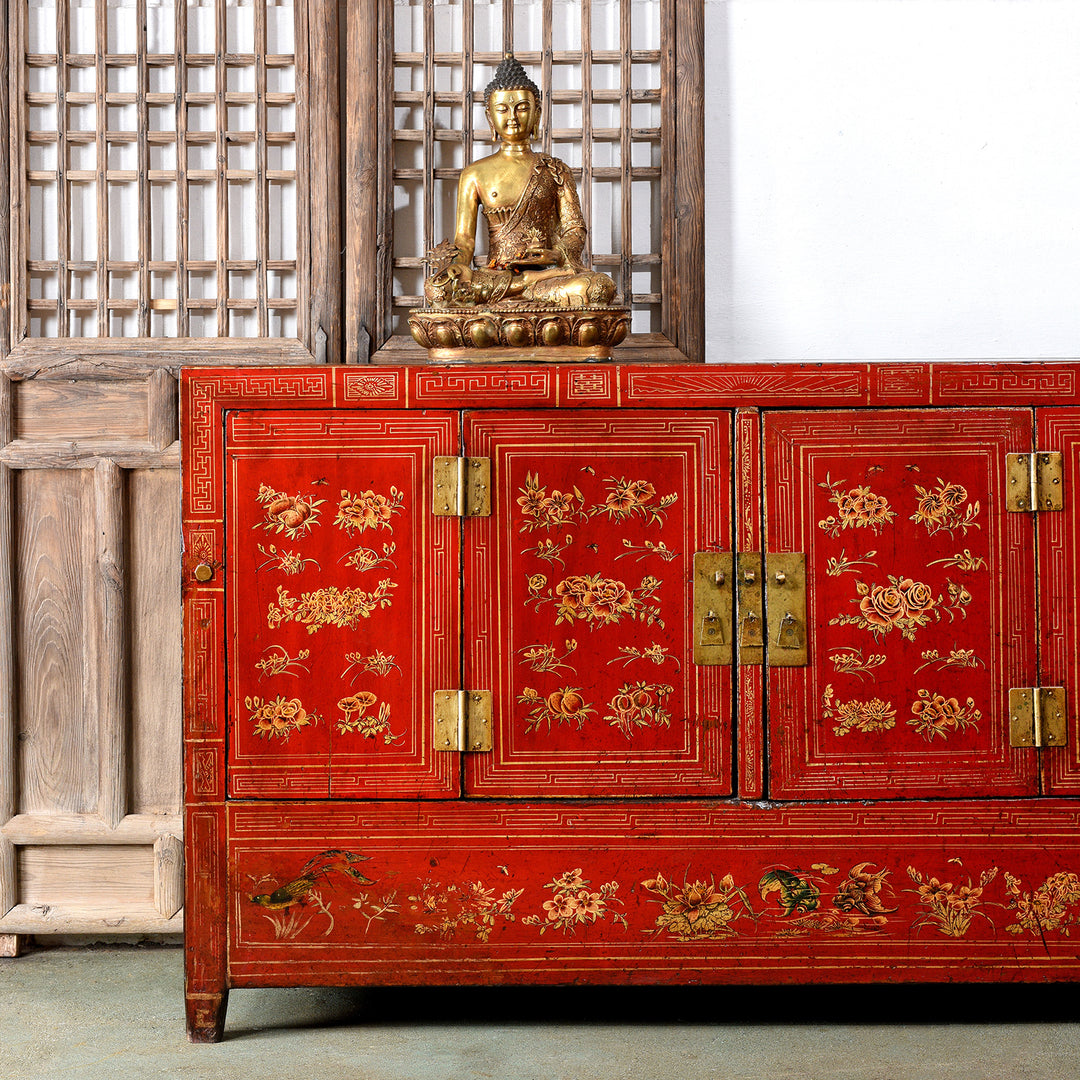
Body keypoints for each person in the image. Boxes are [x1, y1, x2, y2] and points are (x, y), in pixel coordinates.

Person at [425, 54, 617, 309]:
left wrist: (557, 254)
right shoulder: (474, 174)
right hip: (495, 277)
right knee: (438, 290)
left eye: (522, 108)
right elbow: (464, 240)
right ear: (490, 116)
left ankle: (529, 285)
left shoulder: (555, 169)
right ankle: (524, 287)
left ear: (537, 113)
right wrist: (456, 268)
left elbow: (574, 229)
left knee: (598, 287)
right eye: (502, 109)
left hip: (548, 279)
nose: (513, 117)